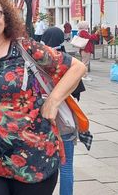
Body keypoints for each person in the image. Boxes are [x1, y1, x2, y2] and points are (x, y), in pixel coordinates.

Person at [0, 0, 86, 195]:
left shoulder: (26, 48)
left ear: (6, 18)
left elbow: (77, 68)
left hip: (34, 160)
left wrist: (53, 101)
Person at [41, 27, 85, 195]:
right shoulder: (65, 60)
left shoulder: (38, 59)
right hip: (65, 122)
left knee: (42, 167)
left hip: (43, 122)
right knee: (66, 168)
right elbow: (77, 91)